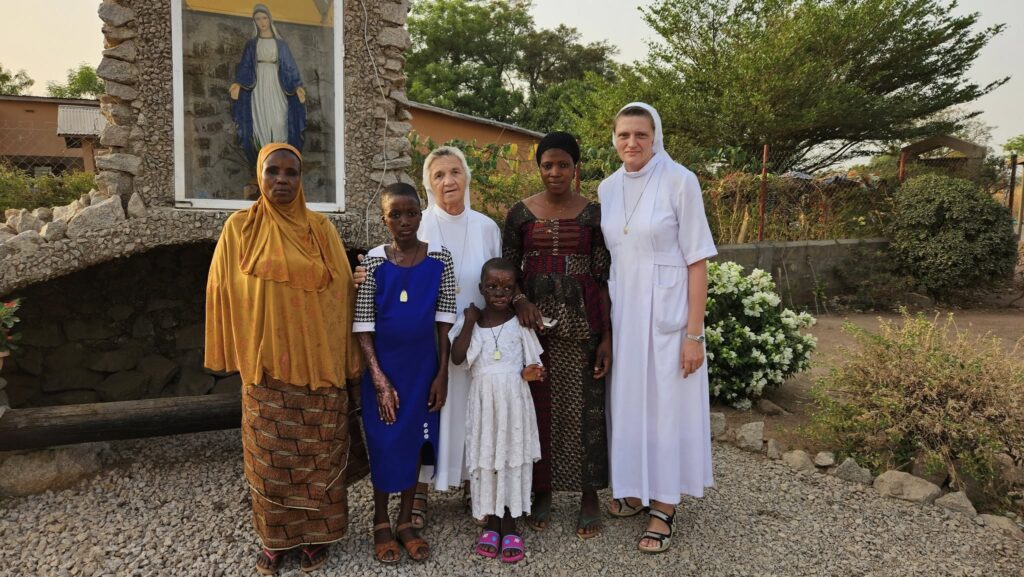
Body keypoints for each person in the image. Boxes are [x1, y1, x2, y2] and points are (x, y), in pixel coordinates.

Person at [204, 142, 363, 574]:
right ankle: (274, 541)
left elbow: (342, 293)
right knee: (270, 462)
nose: (282, 180)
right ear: (259, 175)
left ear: (301, 178)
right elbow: (222, 291)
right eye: (273, 171)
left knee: (319, 457)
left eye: (291, 173)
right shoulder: (239, 229)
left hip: (318, 369)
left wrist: (362, 282)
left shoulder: (320, 229)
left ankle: (316, 537)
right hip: (267, 369)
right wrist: (240, 349)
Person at [599, 102, 718, 554]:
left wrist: (694, 334)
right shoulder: (607, 187)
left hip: (669, 315)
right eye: (624, 135)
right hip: (626, 313)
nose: (632, 143)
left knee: (666, 407)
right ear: (614, 139)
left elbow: (697, 260)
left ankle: (664, 503)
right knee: (629, 404)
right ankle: (634, 488)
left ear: (656, 137)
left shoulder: (680, 180)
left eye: (641, 135)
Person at [502, 131, 612, 539]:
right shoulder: (519, 214)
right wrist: (519, 302)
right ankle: (543, 489)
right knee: (539, 407)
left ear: (575, 168)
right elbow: (507, 271)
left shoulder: (594, 215)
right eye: (547, 165)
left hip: (584, 325)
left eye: (563, 164)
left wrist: (606, 338)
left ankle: (589, 495)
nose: (555, 172)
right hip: (534, 330)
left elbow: (603, 278)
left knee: (586, 409)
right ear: (538, 167)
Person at [353, 183, 456, 564]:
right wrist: (379, 380)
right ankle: (380, 520)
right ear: (384, 220)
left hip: (423, 370)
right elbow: (363, 325)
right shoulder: (373, 262)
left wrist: (442, 374)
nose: (404, 221)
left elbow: (444, 322)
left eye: (411, 213)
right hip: (384, 370)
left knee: (416, 442)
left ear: (420, 215)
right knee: (384, 441)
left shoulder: (441, 259)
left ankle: (405, 520)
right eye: (395, 214)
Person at [410, 145, 502, 528]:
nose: (448, 181)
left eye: (455, 172)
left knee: (474, 411)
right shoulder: (418, 225)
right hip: (429, 338)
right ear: (428, 184)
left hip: (476, 337)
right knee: (428, 409)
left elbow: (498, 282)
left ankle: (471, 483)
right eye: (439, 175)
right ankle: (418, 490)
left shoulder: (486, 227)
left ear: (467, 177)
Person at [450, 258, 544, 564]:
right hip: (484, 405)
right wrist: (469, 320)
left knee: (512, 457)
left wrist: (531, 373)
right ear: (481, 288)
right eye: (492, 286)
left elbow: (534, 365)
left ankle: (510, 522)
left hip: (514, 404)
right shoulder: (472, 325)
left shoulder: (520, 325)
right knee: (488, 457)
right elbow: (457, 357)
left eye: (507, 287)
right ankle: (492, 521)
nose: (499, 293)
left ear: (516, 290)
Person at [230, 4, 306, 165]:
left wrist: (297, 86)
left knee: (279, 120)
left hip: (277, 85)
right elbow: (245, 66)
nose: (262, 22)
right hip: (258, 88)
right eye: (258, 19)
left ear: (270, 19)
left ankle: (280, 157)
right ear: (254, 22)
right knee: (259, 121)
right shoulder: (251, 44)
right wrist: (238, 84)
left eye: (264, 18)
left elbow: (289, 66)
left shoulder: (281, 45)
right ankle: (263, 161)